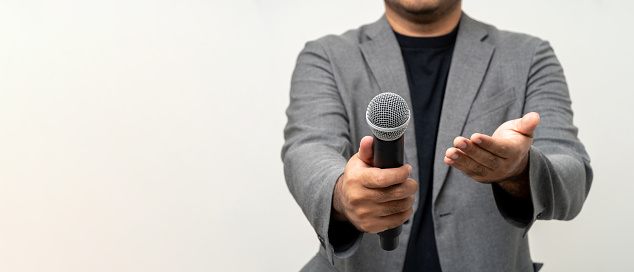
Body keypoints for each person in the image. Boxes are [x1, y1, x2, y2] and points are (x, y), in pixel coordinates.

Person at [281, 0, 593, 271]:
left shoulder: (529, 56)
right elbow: (308, 151)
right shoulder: (325, 56)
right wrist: (342, 194)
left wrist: (519, 171)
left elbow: (572, 177)